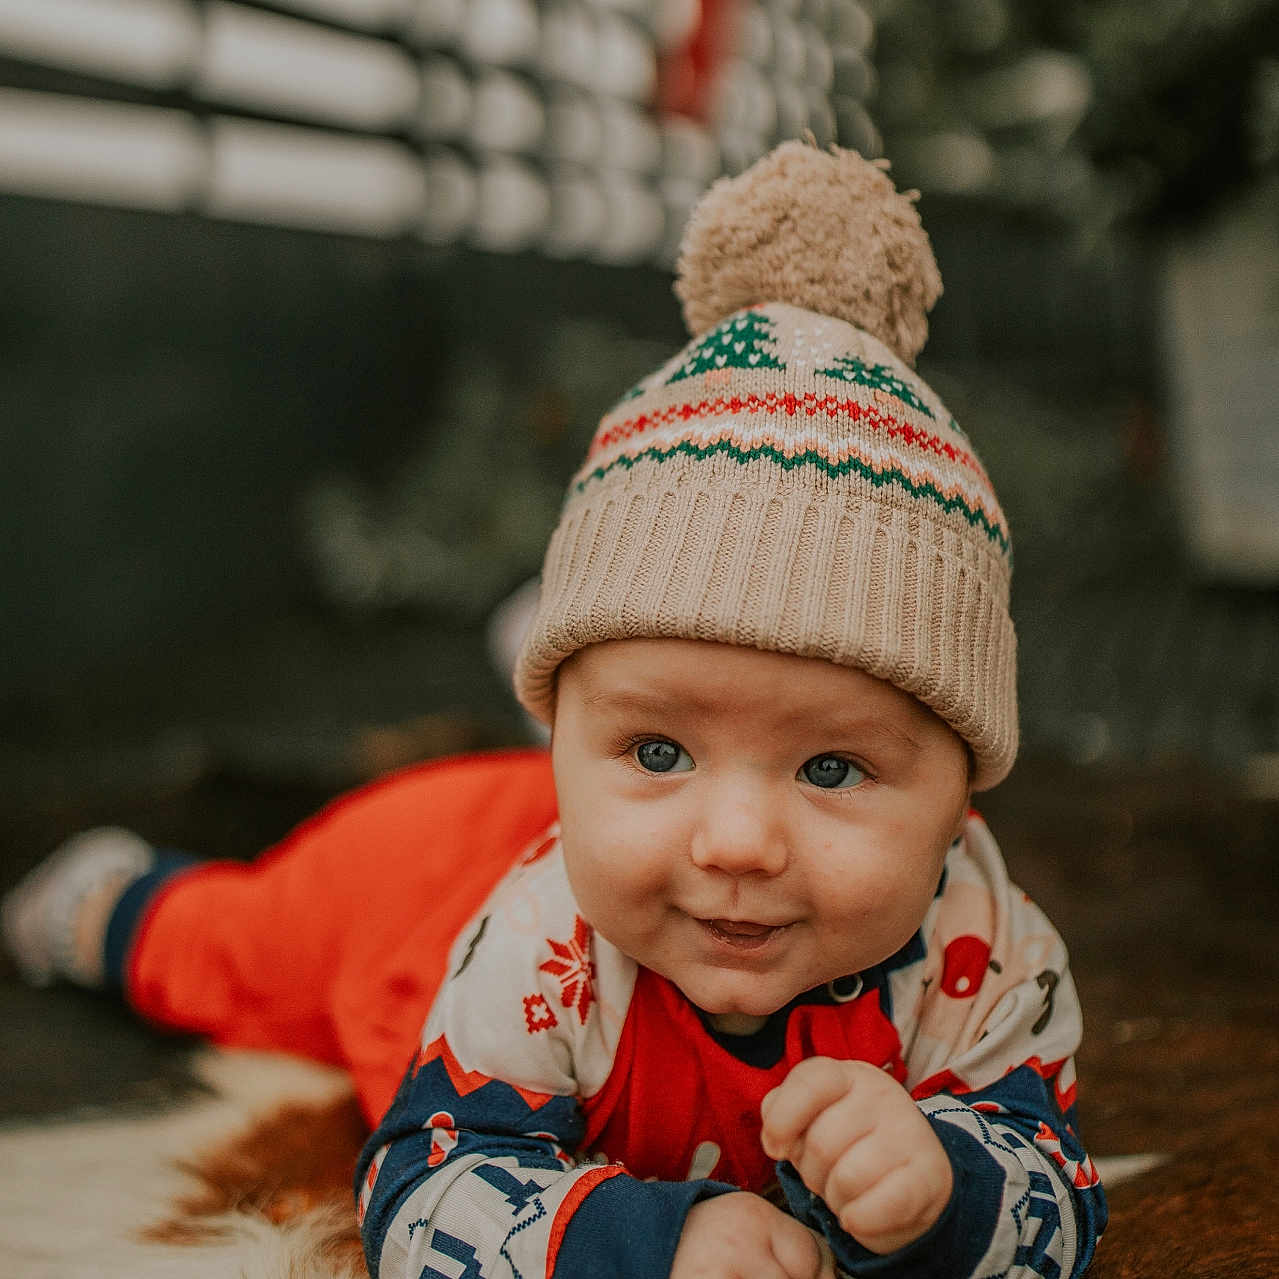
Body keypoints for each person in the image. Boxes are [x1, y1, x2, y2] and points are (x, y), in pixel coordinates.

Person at [2, 141, 1107, 1279]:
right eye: (660, 746)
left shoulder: (981, 951)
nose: (735, 842)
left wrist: (947, 1190)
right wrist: (650, 1243)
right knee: (234, 946)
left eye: (830, 767)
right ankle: (107, 900)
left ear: (963, 787)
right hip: (413, 888)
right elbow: (422, 1198)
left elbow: (1060, 1196)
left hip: (585, 816)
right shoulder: (541, 945)